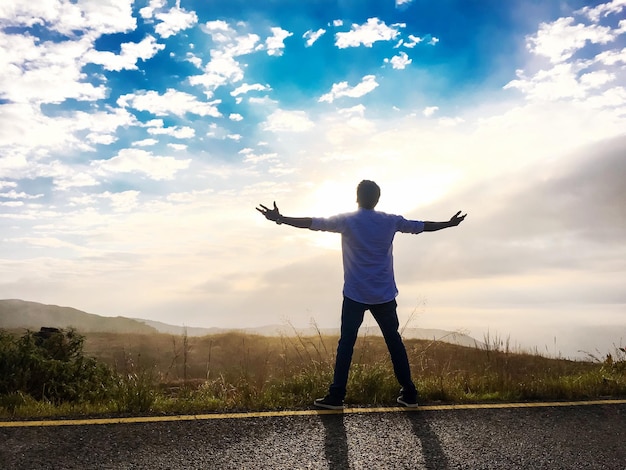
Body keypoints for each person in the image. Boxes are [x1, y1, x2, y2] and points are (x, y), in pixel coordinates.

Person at [256, 180, 466, 409]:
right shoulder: (390, 221)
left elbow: (312, 223)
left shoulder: (347, 221)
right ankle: (410, 394)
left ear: (357, 197)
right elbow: (422, 226)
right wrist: (449, 224)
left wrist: (281, 219)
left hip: (355, 294)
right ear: (377, 199)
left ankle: (337, 396)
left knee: (346, 344)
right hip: (385, 295)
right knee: (394, 342)